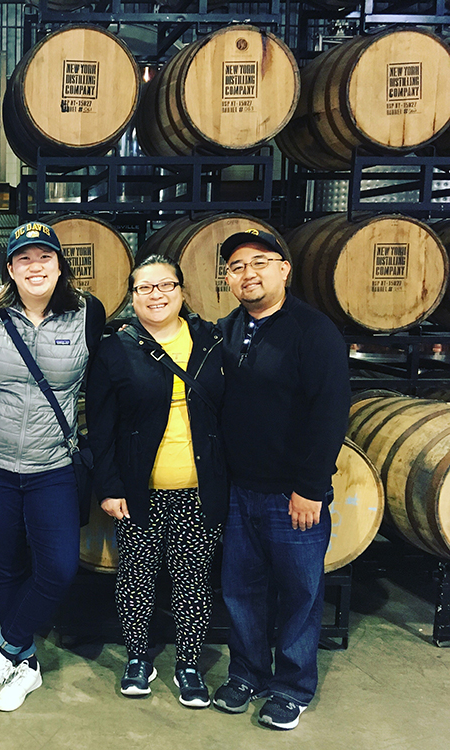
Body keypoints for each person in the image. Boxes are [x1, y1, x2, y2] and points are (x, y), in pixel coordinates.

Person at [0, 221, 104, 713]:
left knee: (59, 568)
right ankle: (25, 663)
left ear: (60, 265)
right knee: (3, 563)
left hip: (50, 463)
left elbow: (101, 385)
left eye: (44, 257)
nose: (35, 267)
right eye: (24, 259)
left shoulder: (87, 313)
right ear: (10, 268)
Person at [212, 230, 349, 730]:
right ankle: (247, 673)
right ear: (227, 279)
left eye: (259, 262)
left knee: (298, 593)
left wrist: (311, 486)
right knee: (241, 591)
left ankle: (291, 686)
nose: (247, 273)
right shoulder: (227, 329)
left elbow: (330, 413)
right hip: (238, 489)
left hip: (292, 495)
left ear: (284, 269)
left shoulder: (313, 331)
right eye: (235, 266)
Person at [85, 255, 228, 709]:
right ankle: (137, 659)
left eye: (166, 285)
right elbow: (101, 426)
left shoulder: (210, 340)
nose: (156, 295)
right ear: (132, 297)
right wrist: (109, 487)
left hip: (200, 488)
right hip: (138, 490)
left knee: (192, 580)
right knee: (137, 577)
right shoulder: (116, 348)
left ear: (182, 292)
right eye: (145, 288)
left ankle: (188, 663)